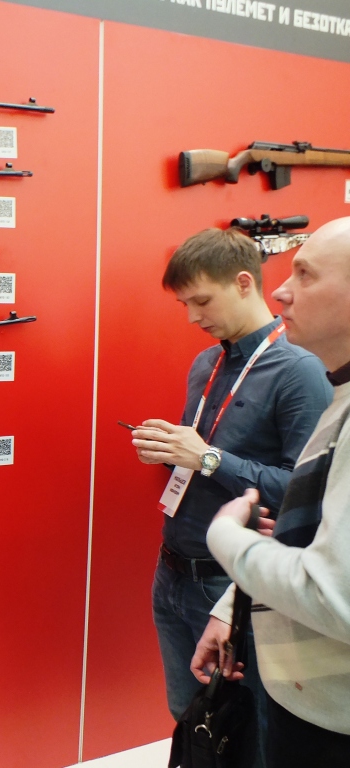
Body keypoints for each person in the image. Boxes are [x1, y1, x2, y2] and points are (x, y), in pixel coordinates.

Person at [130, 227, 331, 764]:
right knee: (190, 719)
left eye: (202, 301)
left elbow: (302, 490)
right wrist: (173, 451)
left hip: (233, 582)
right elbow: (204, 457)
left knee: (242, 735)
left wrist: (208, 458)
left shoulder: (299, 371)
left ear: (244, 283)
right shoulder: (207, 363)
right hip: (173, 569)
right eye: (184, 304)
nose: (192, 316)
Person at [191, 217, 350, 767]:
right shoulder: (340, 395)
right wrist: (233, 601)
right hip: (310, 700)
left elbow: (335, 597)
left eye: (305, 274)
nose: (279, 290)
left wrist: (227, 539)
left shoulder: (304, 377)